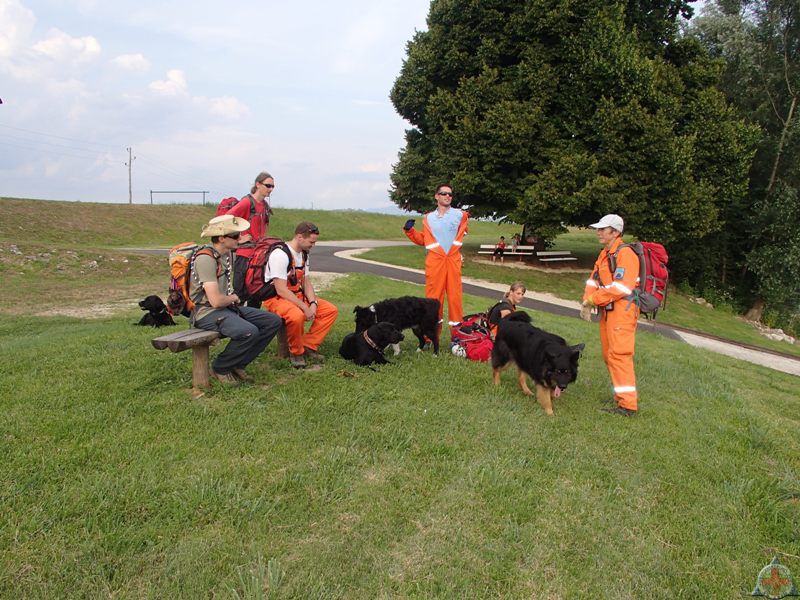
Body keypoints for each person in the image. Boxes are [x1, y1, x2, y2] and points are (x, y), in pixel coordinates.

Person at [190, 214, 283, 385]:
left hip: (225, 309)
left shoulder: (224, 255)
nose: (240, 238)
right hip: (206, 313)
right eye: (235, 236)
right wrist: (234, 297)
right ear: (221, 238)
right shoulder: (206, 259)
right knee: (248, 331)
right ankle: (221, 368)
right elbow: (216, 301)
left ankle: (238, 364)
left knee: (272, 321)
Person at [581, 214, 640, 416]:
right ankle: (620, 397)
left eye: (603, 229)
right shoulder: (605, 254)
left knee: (619, 355)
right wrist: (586, 300)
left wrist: (593, 300)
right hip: (608, 310)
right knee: (609, 355)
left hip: (622, 312)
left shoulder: (626, 254)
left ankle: (628, 405)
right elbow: (593, 280)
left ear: (615, 232)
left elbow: (622, 287)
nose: (598, 232)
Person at [261, 221, 338, 369]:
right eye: (311, 242)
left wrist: (313, 303)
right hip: (277, 298)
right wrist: (305, 307)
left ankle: (308, 345)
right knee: (296, 316)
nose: (313, 245)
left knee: (329, 310)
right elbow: (281, 289)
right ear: (299, 237)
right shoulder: (280, 255)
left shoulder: (303, 254)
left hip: (296, 295)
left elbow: (306, 282)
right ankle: (296, 353)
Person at [403, 183, 469, 333]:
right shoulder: (428, 218)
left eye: (450, 194)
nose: (447, 196)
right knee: (433, 300)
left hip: (452, 260)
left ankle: (458, 336)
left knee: (455, 299)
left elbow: (462, 233)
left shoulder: (461, 215)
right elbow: (424, 240)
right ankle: (430, 336)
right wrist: (409, 231)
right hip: (435, 261)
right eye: (444, 193)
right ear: (437, 196)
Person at [226, 171, 275, 307]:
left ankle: (253, 324)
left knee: (256, 293)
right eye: (268, 185)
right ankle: (236, 324)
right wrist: (238, 238)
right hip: (245, 255)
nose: (270, 189)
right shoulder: (247, 202)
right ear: (258, 184)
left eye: (272, 187)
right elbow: (226, 219)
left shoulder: (264, 205)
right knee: (239, 294)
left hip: (258, 256)